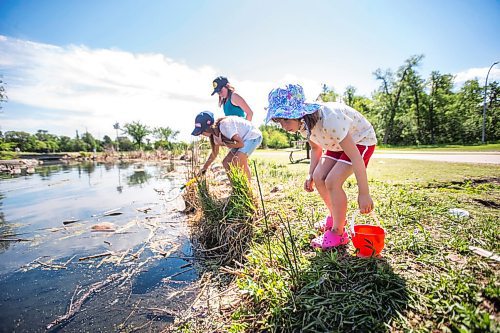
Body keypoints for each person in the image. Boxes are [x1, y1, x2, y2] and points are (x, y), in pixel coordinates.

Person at [265, 84, 377, 250]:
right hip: (335, 144)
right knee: (319, 177)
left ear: (300, 113)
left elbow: (355, 157)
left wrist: (364, 193)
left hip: (360, 141)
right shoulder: (304, 126)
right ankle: (336, 216)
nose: (283, 126)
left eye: (286, 119)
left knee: (332, 181)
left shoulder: (330, 120)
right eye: (279, 121)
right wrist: (310, 173)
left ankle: (339, 233)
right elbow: (317, 148)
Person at [191, 111, 262, 180]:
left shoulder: (224, 126)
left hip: (252, 136)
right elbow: (214, 154)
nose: (201, 134)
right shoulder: (214, 135)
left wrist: (224, 143)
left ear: (208, 127)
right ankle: (235, 188)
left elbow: (240, 143)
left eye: (201, 131)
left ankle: (247, 189)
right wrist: (204, 168)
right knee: (226, 163)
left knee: (237, 160)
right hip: (243, 140)